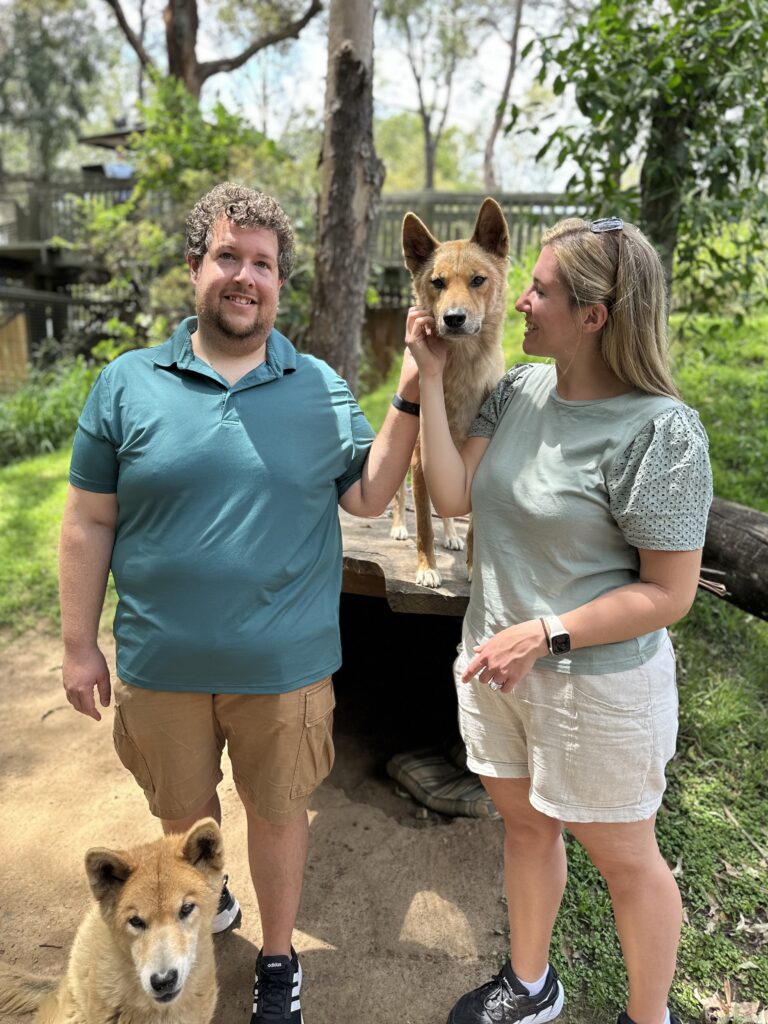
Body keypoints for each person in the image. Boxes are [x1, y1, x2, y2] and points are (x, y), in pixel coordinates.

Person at [59, 182, 422, 1023]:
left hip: (283, 666)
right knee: (185, 822)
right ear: (195, 267)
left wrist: (409, 388)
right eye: (229, 256)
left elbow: (367, 496)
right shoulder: (127, 382)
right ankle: (210, 905)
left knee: (280, 813)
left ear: (278, 283)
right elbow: (87, 518)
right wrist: (80, 644)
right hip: (163, 666)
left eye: (262, 263)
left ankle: (277, 958)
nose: (244, 276)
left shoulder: (320, 384)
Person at [405, 216, 712, 1024]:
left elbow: (669, 594)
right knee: (526, 829)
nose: (518, 298)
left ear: (593, 317)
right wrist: (430, 380)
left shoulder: (661, 432)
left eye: (537, 288)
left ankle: (649, 1018)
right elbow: (449, 496)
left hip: (595, 688)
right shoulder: (516, 392)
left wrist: (547, 633)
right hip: (495, 667)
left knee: (626, 861)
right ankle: (532, 984)